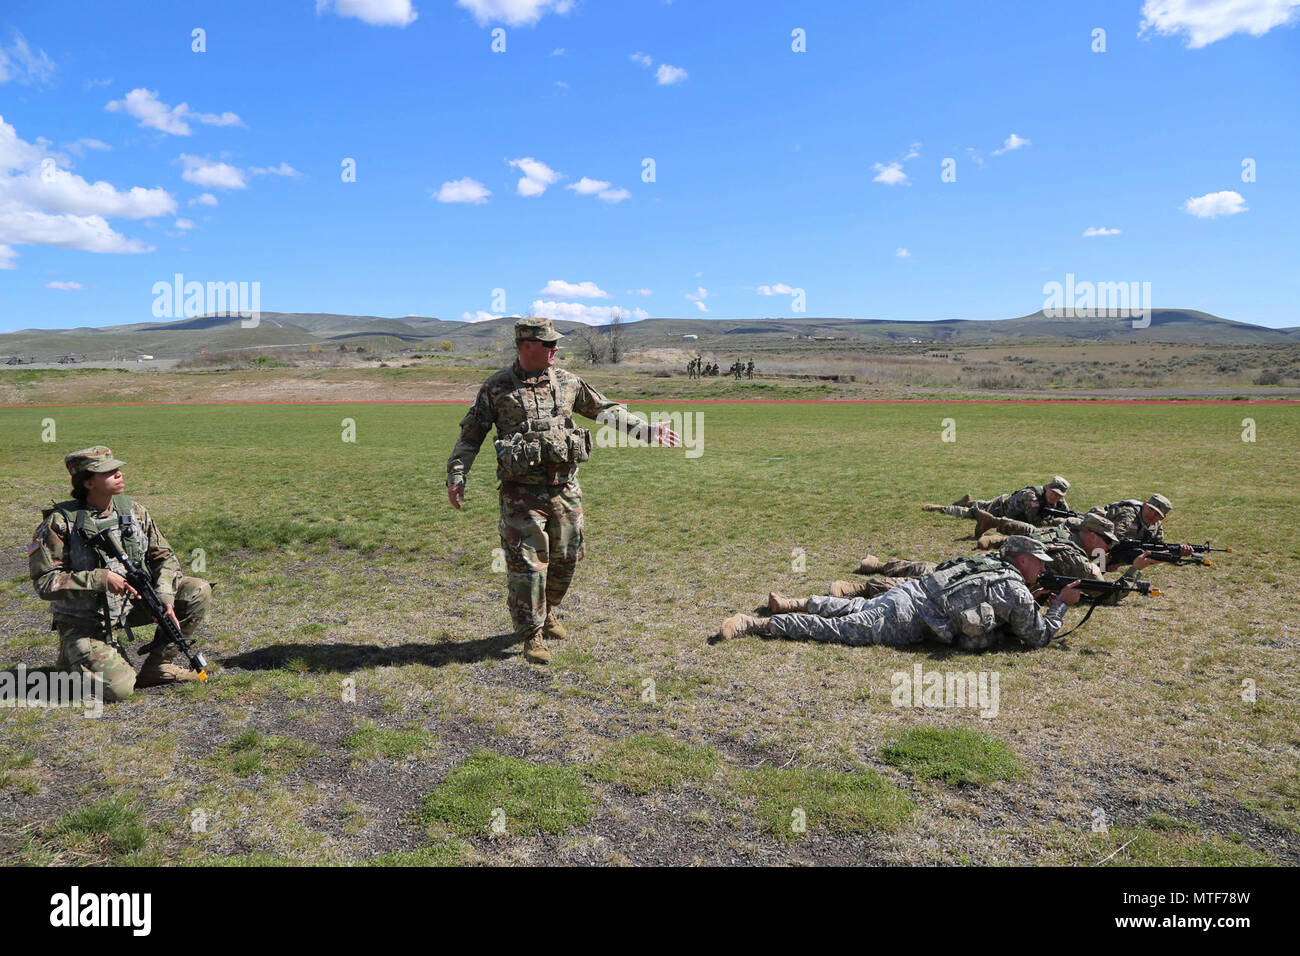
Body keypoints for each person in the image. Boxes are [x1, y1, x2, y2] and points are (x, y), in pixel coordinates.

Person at [448, 317, 681, 664]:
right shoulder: (497, 387)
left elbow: (605, 410)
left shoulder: (569, 383)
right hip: (520, 492)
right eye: (548, 344)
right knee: (528, 564)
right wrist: (456, 473)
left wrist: (645, 430)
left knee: (568, 556)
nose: (555, 349)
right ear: (527, 345)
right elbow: (472, 433)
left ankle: (549, 609)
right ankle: (532, 634)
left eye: (555, 343)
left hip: (564, 487)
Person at [28, 446, 211, 701]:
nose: (118, 474)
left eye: (117, 468)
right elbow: (45, 582)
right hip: (87, 622)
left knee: (196, 590)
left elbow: (165, 557)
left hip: (129, 606)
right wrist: (99, 579)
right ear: (88, 482)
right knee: (120, 689)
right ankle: (71, 657)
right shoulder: (60, 523)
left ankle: (158, 666)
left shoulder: (133, 511)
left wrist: (165, 598)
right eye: (108, 472)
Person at [715, 536, 1083, 651]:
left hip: (907, 594)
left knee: (857, 607)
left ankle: (794, 602)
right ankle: (754, 624)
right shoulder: (1013, 588)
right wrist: (1061, 607)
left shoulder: (989, 564)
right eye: (1038, 562)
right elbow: (1038, 637)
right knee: (841, 629)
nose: (1042, 568)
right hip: (909, 617)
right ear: (1022, 559)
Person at [834, 514, 1156, 602]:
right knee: (931, 576)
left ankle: (867, 579)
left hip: (997, 572)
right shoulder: (1079, 559)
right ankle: (868, 577)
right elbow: (1109, 593)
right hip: (999, 572)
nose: (1106, 544)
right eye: (1103, 539)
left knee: (930, 576)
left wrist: (1118, 565)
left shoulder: (1070, 539)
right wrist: (1135, 572)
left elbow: (1100, 583)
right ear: (1090, 535)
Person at [921, 476, 1071, 537]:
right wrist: (1055, 521)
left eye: (1059, 495)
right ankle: (940, 508)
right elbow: (1034, 521)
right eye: (1053, 493)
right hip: (999, 508)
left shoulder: (1057, 500)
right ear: (1047, 487)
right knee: (971, 513)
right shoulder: (1032, 497)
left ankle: (967, 501)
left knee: (980, 504)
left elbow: (1067, 513)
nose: (1055, 497)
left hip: (1005, 503)